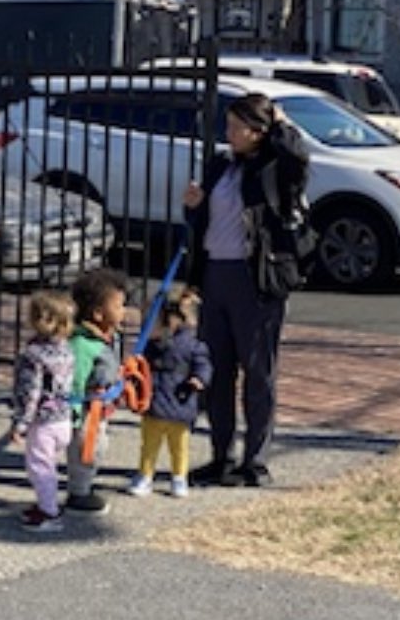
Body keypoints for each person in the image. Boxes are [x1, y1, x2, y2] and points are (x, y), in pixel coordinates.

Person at [183, 92, 310, 488]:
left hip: (256, 277)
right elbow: (201, 218)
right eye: (229, 126)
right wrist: (193, 206)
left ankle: (256, 460)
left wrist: (282, 122)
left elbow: (298, 158)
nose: (230, 134)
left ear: (258, 132)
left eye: (238, 127)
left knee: (258, 371)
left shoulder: (274, 168)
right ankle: (221, 455)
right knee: (216, 371)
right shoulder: (221, 165)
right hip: (215, 273)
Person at [125, 289, 212, 499]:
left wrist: (199, 379)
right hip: (154, 403)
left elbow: (203, 364)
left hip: (179, 403)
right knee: (149, 445)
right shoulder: (151, 345)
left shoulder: (192, 346)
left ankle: (178, 477)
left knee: (179, 446)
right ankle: (145, 475)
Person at [9, 291, 74, 532]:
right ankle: (46, 503)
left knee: (40, 467)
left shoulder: (32, 355)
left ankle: (50, 512)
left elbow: (31, 392)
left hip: (42, 420)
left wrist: (20, 423)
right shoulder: (66, 350)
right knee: (50, 464)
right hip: (63, 417)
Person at [66, 268, 129, 515]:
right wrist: (72, 411)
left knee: (96, 447)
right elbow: (76, 379)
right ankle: (78, 493)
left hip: (100, 409)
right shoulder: (83, 345)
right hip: (87, 411)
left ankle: (83, 487)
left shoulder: (107, 337)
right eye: (119, 306)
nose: (124, 312)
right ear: (98, 313)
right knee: (86, 449)